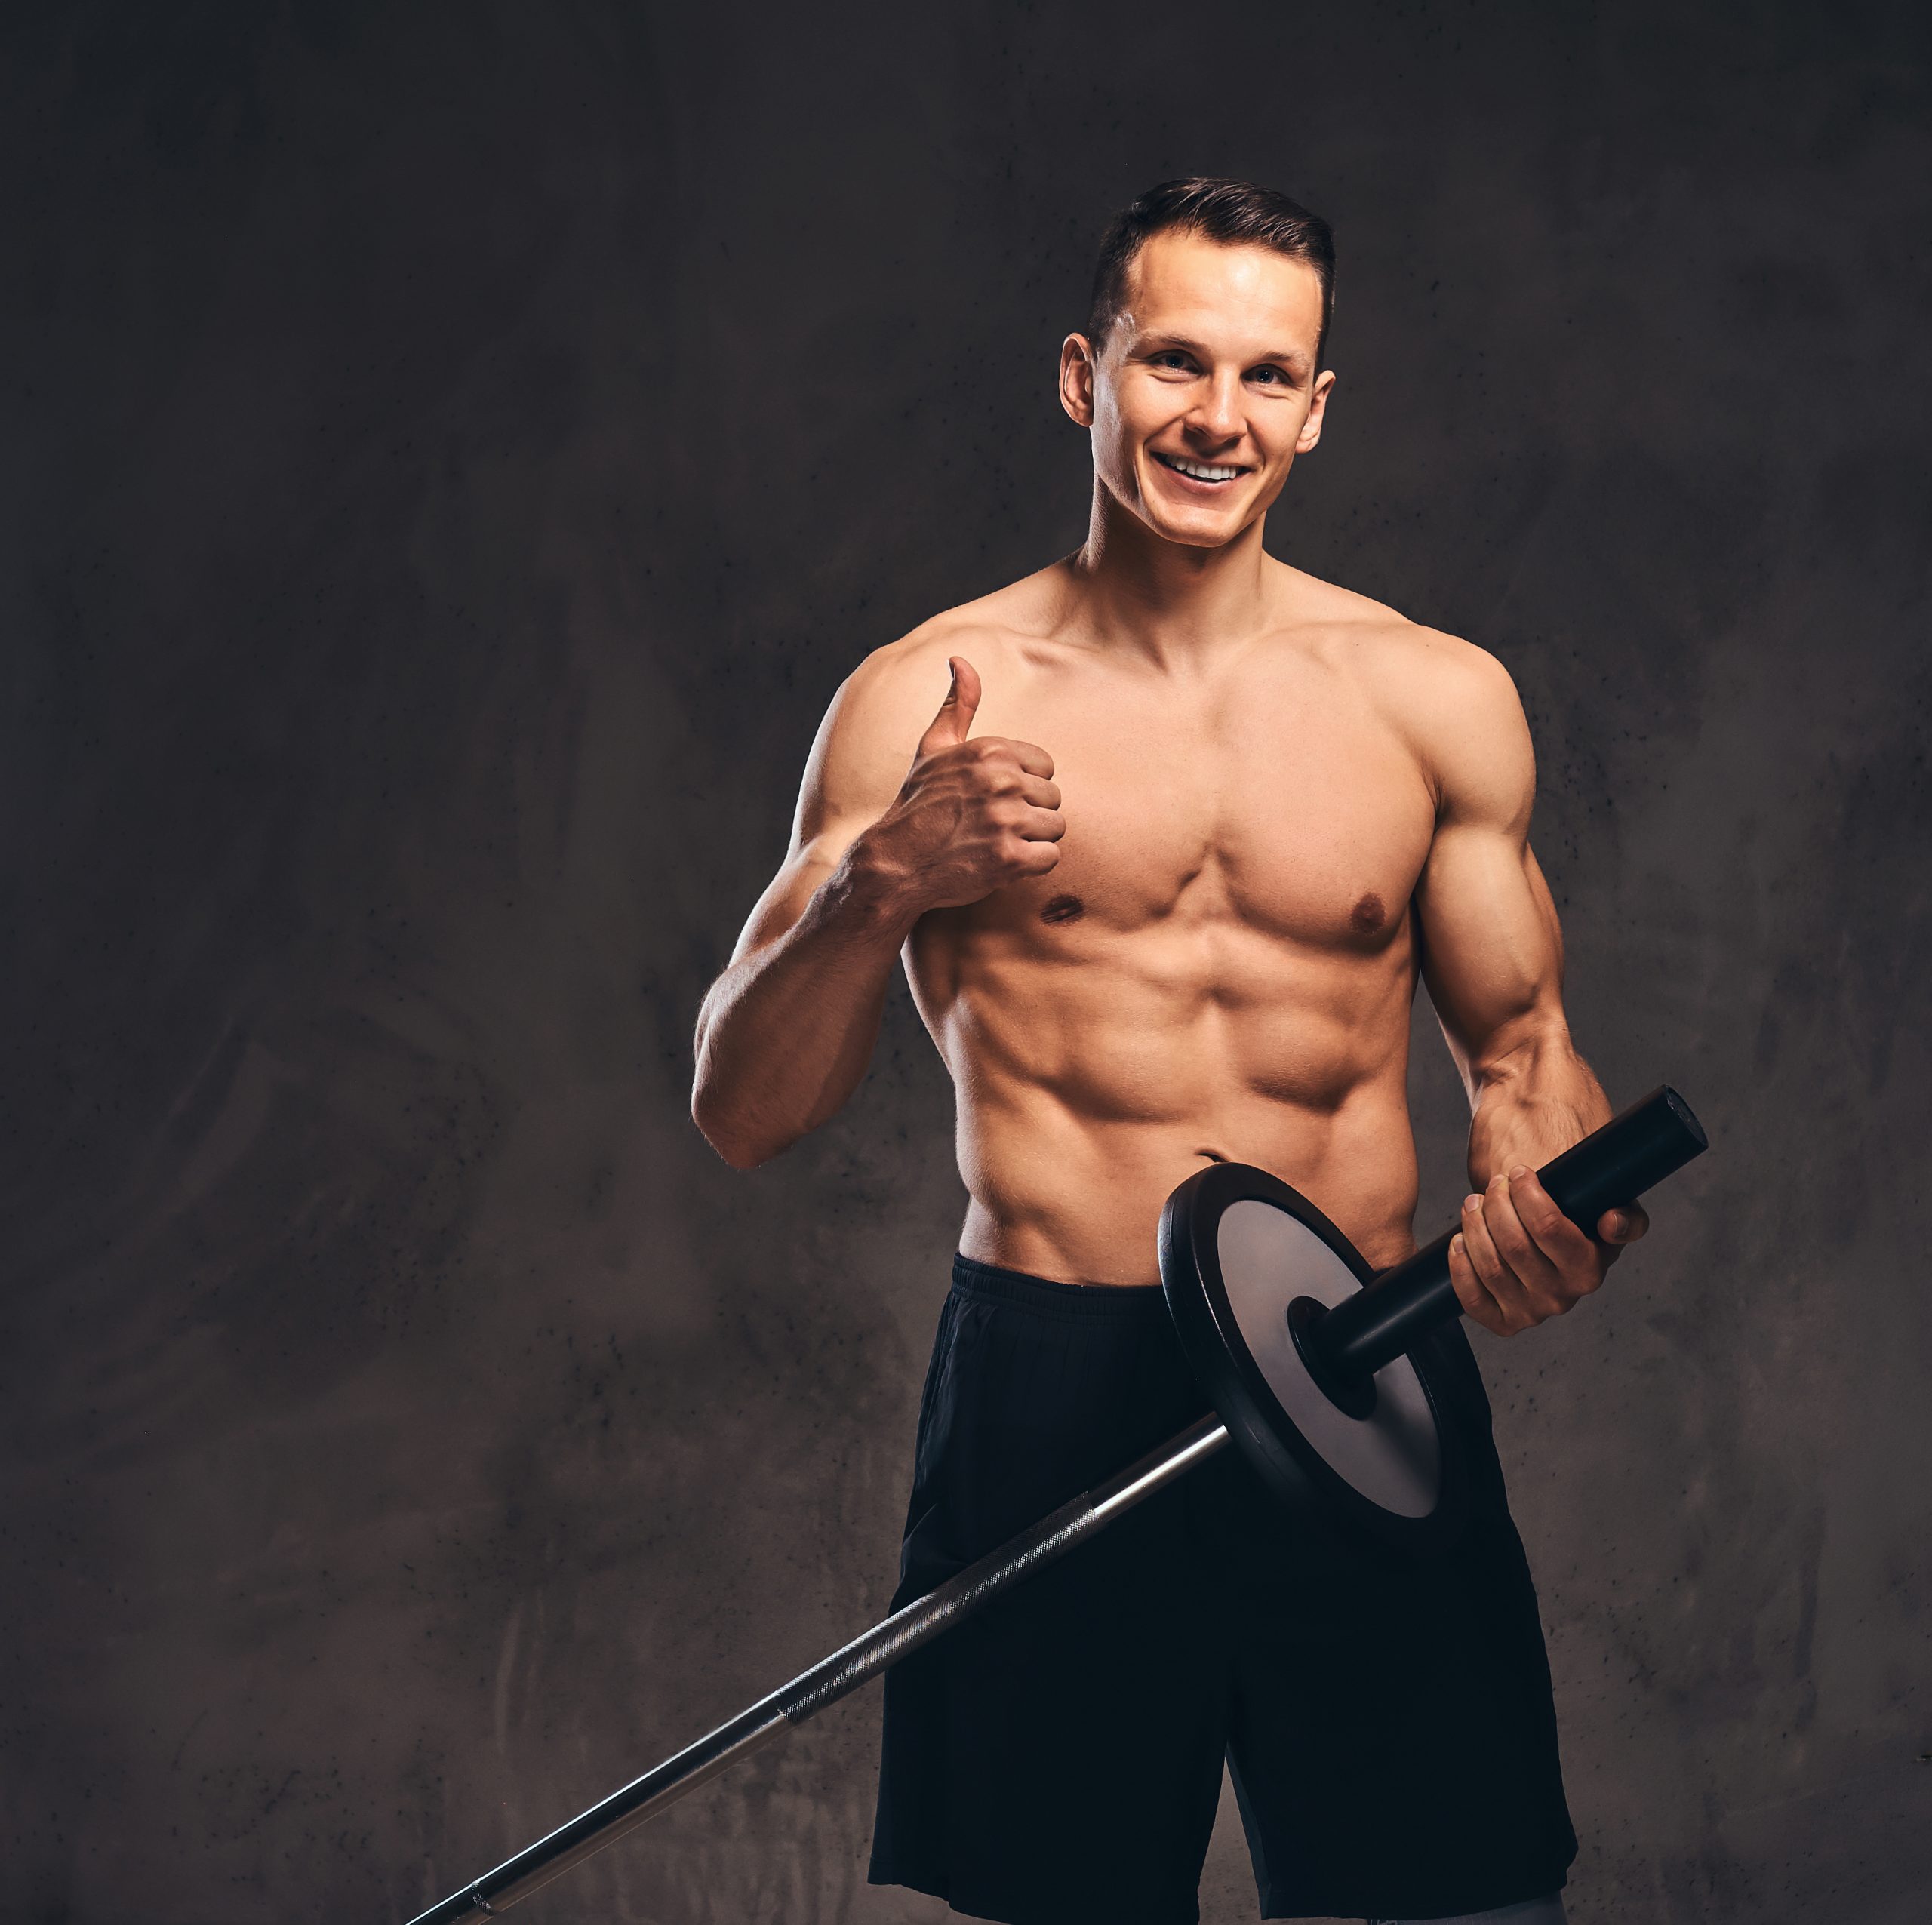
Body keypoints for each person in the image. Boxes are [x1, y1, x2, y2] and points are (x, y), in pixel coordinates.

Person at [691, 179, 1646, 1925]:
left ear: (1316, 407)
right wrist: (880, 882)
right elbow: (743, 1111)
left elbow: (1528, 1061)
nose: (1217, 419)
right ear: (1084, 374)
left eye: (1266, 377)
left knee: (1450, 1900)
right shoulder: (925, 695)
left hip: (1363, 1359)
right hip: (1052, 1374)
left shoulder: (1428, 696)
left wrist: (1540, 1197)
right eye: (1173, 364)